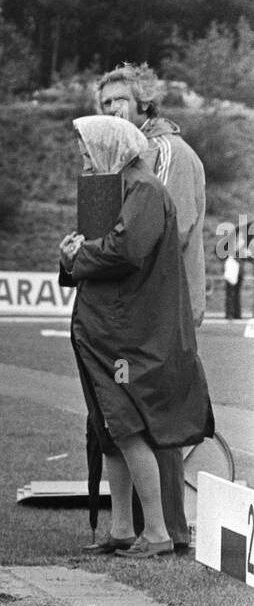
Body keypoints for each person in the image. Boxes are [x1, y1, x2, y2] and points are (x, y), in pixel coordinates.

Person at [60, 117, 214, 559]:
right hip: (106, 332)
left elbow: (125, 251)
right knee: (109, 430)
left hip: (127, 337)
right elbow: (103, 251)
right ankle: (123, 528)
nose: (85, 159)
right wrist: (69, 258)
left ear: (112, 148)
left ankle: (158, 533)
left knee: (126, 428)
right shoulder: (118, 191)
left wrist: (79, 255)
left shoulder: (145, 191)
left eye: (90, 151)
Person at [96, 61, 207, 551]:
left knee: (151, 414)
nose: (111, 110)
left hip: (164, 304)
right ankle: (138, 529)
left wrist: (101, 255)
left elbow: (163, 229)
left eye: (118, 100)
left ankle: (167, 533)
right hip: (149, 302)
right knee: (124, 412)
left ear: (143, 102)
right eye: (103, 104)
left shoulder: (162, 153)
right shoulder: (132, 155)